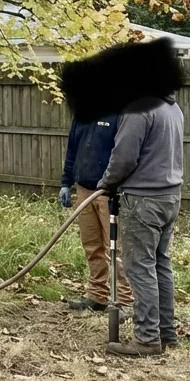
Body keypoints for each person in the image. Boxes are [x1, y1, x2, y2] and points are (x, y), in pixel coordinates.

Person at [97, 93, 184, 357]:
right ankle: (166, 334)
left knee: (140, 267)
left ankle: (147, 339)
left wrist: (107, 182)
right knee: (160, 264)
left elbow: (124, 157)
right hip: (169, 196)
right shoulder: (172, 108)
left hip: (143, 199)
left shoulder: (139, 108)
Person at [59, 113, 134, 313]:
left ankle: (125, 300)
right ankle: (97, 295)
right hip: (84, 189)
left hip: (109, 192)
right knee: (92, 245)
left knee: (117, 248)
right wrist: (66, 182)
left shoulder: (120, 115)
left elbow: (124, 155)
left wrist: (113, 185)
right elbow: (72, 150)